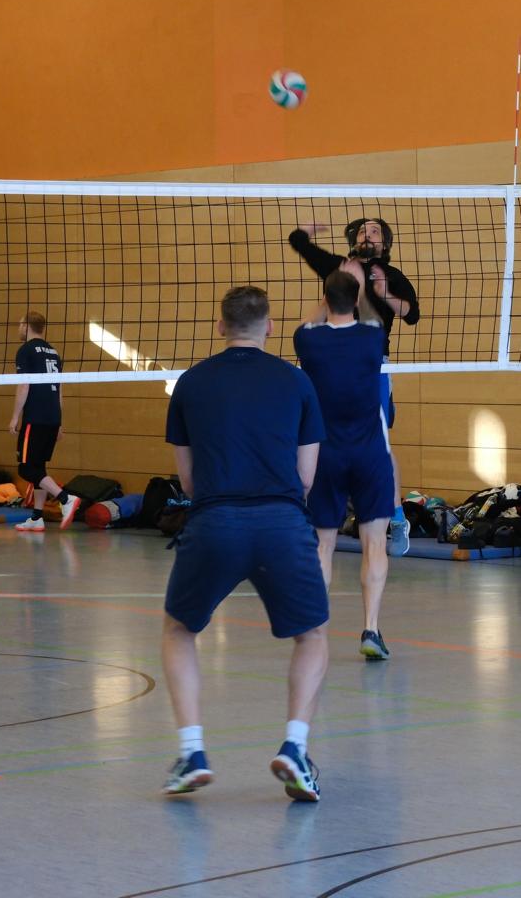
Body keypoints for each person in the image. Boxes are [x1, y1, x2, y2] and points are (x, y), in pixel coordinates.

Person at [160, 286, 330, 802]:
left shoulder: (191, 383)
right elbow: (306, 478)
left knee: (178, 630)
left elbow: (187, 481)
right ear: (270, 327)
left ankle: (192, 752)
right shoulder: (297, 382)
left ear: (221, 326)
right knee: (312, 636)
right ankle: (295, 747)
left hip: (214, 522)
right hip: (282, 523)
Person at [288, 216, 420, 555]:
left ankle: (397, 518)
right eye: (362, 231)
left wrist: (383, 293)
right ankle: (308, 514)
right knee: (317, 436)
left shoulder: (392, 276)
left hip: (371, 366)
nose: (368, 235)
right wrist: (308, 231)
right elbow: (298, 242)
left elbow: (412, 314)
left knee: (379, 440)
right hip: (328, 365)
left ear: (385, 243)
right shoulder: (339, 268)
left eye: (375, 232)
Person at [295, 265, 396, 661]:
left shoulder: (307, 340)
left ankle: (316, 631)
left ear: (325, 298)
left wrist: (333, 287)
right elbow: (370, 317)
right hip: (369, 454)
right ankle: (371, 628)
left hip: (326, 454)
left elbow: (312, 320)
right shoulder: (373, 337)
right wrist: (362, 285)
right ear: (355, 299)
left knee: (324, 543)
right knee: (375, 542)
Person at [8, 310, 68, 532]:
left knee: (26, 469)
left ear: (26, 326)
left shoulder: (25, 350)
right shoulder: (54, 352)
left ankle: (66, 498)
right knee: (39, 467)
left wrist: (15, 416)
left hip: (35, 416)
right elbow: (59, 389)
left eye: (19, 324)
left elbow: (24, 385)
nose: (18, 328)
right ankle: (37, 517)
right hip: (52, 416)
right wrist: (59, 421)